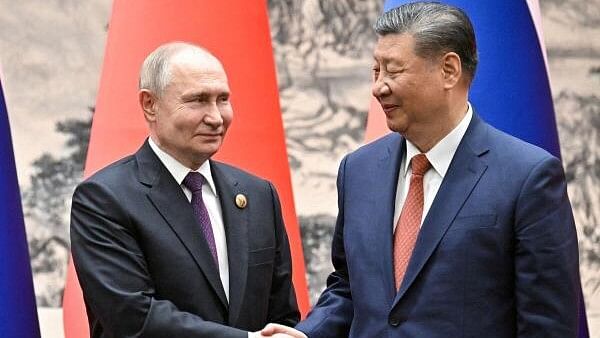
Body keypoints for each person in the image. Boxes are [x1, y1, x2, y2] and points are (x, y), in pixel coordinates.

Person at [262, 2, 581, 338]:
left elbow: (547, 325)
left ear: (449, 70)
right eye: (376, 70)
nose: (378, 87)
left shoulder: (527, 178)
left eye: (393, 70)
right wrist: (308, 334)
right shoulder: (358, 171)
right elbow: (348, 288)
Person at [70, 42, 300, 338]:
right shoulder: (104, 199)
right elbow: (132, 318)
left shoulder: (259, 195)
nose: (216, 117)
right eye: (198, 100)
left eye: (223, 99)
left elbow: (282, 314)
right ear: (150, 105)